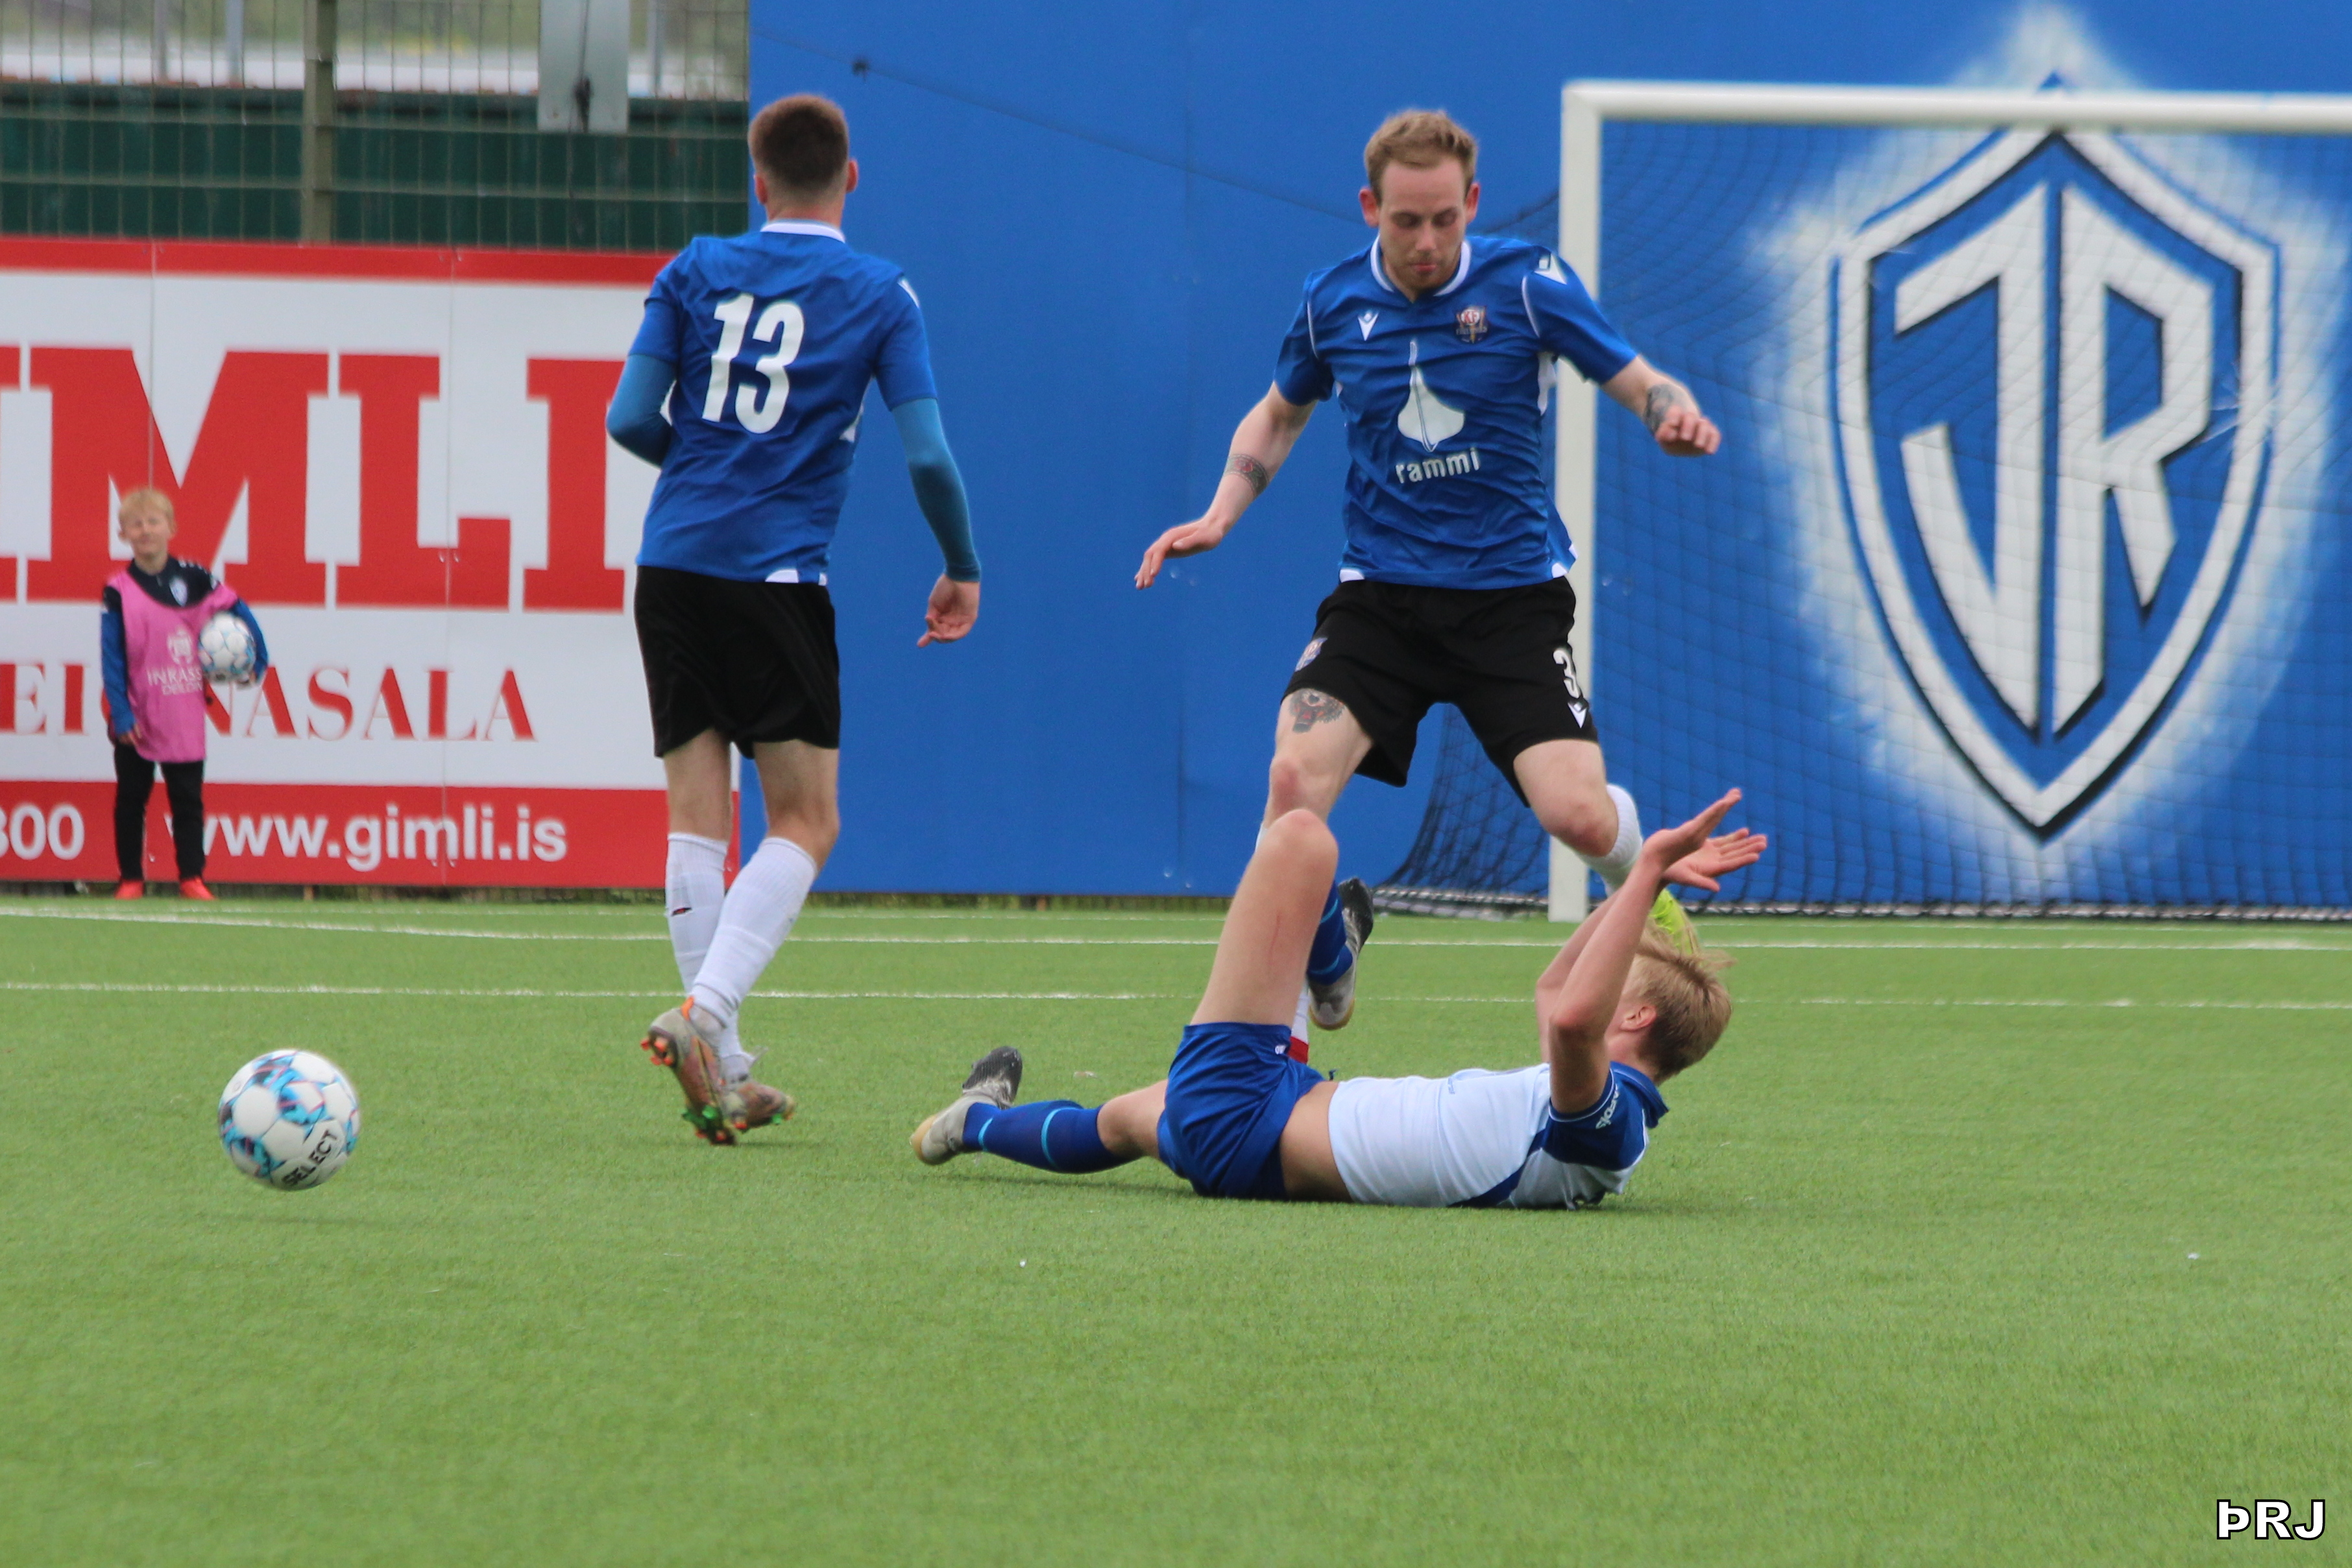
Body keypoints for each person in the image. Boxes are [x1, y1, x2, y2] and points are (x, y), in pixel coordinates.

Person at [1134, 108, 1751, 1041]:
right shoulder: (1333, 302)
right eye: (1404, 221)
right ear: (1368, 208)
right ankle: (1298, 1007)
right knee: (1292, 783)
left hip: (1509, 604)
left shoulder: (1528, 286)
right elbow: (1278, 414)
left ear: (1471, 203)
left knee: (1580, 820)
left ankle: (1642, 874)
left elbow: (1634, 376)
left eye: (1443, 219)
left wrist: (1669, 414)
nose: (1425, 242)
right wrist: (1221, 512)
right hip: (1381, 602)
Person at [606, 92, 982, 1145]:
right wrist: (962, 565)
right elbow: (927, 454)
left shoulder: (693, 269)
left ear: (757, 178)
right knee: (808, 821)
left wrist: (711, 466)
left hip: (671, 567)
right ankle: (705, 1016)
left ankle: (724, 1072)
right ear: (850, 176)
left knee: (696, 820)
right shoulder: (880, 293)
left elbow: (630, 416)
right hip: (773, 580)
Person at [910, 791, 1743, 1209]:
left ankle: (1333, 967)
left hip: (1248, 1117)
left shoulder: (1611, 1121)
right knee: (1124, 1120)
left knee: (1300, 832)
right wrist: (1635, 887)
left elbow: (1571, 1017)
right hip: (1279, 1112)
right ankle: (969, 1123)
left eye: (1619, 984)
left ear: (1634, 1018)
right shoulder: (1584, 1111)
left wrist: (1640, 870)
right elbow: (1556, 988)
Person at [98, 487, 269, 901]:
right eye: (136, 524)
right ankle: (131, 880)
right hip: (137, 713)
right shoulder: (118, 589)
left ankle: (192, 878)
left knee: (188, 800)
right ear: (123, 534)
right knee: (131, 800)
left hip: (183, 711)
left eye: (153, 522)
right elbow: (111, 657)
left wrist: (259, 660)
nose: (145, 530)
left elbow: (240, 611)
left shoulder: (195, 579)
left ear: (171, 528)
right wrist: (121, 713)